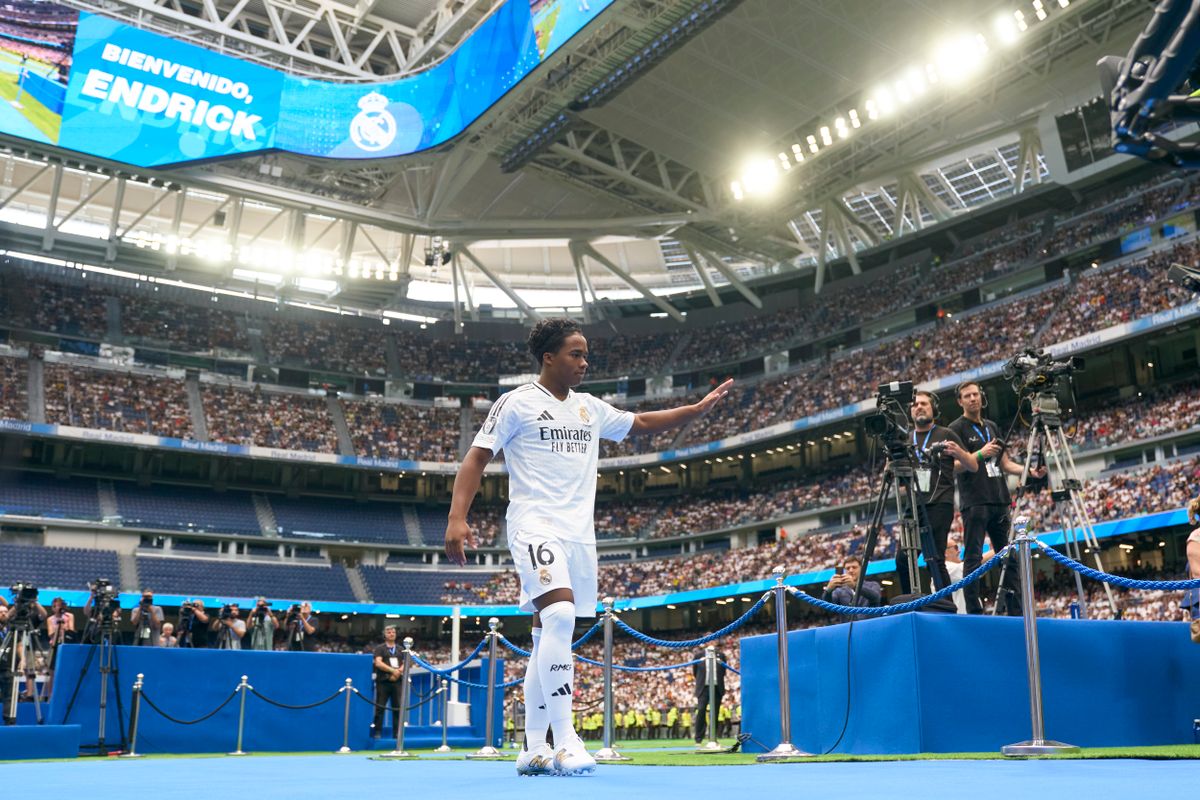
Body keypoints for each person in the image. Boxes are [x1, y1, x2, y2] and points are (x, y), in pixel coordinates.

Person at [444, 318, 732, 777]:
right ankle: (567, 740)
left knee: (545, 633)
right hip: (534, 524)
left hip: (579, 534)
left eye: (586, 353)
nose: (585, 362)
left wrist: (692, 411)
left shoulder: (588, 408)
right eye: (576, 354)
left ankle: (533, 746)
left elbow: (638, 423)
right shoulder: (516, 403)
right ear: (549, 358)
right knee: (559, 616)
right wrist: (457, 518)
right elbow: (477, 457)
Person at [948, 381, 1046, 614]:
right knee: (972, 557)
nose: (973, 399)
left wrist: (1029, 472)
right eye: (967, 396)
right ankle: (974, 609)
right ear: (960, 401)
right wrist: (980, 454)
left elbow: (1005, 463)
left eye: (975, 394)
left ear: (981, 397)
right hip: (975, 501)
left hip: (1000, 498)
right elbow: (953, 466)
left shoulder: (991, 426)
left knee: (1008, 556)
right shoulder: (955, 428)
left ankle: (1016, 609)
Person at [903, 390, 977, 596]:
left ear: (933, 408)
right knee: (903, 558)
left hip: (940, 501)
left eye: (924, 404)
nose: (919, 407)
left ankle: (945, 605)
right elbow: (897, 482)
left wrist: (959, 453)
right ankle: (910, 603)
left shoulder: (946, 433)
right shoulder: (905, 439)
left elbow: (972, 465)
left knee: (934, 557)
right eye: (915, 404)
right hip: (914, 503)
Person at [371, 625, 404, 739]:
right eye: (389, 632)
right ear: (384, 635)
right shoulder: (380, 648)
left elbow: (407, 662)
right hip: (383, 682)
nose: (391, 634)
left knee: (397, 708)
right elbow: (378, 663)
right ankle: (377, 732)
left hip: (397, 682)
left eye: (393, 632)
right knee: (380, 708)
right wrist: (392, 671)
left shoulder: (400, 649)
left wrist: (398, 672)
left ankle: (397, 733)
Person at [692, 650, 727, 744]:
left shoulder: (721, 655)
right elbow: (695, 672)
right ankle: (698, 738)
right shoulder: (698, 655)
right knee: (701, 710)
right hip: (703, 688)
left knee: (715, 713)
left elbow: (723, 672)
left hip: (717, 687)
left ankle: (713, 737)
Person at [44, 597, 74, 699]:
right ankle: (50, 695)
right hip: (54, 645)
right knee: (51, 672)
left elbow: (71, 630)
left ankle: (66, 694)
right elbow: (50, 634)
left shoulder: (69, 616)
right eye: (57, 606)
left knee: (67, 671)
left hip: (66, 645)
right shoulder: (50, 619)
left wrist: (65, 625)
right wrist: (58, 627)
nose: (60, 608)